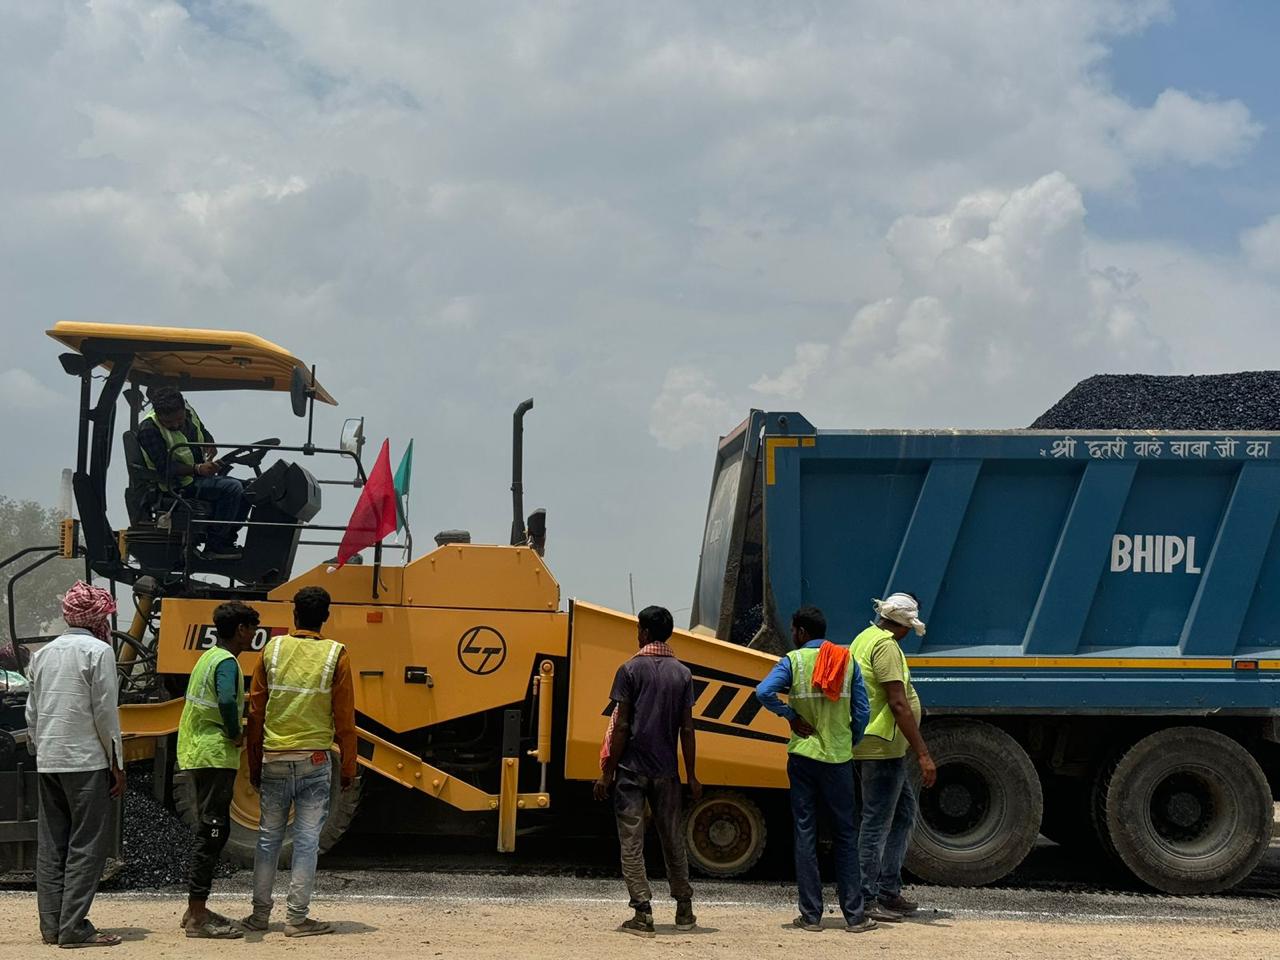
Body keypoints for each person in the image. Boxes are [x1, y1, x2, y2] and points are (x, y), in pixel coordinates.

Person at [242, 586, 356, 937]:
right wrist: (349, 768)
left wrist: (255, 762)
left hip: (274, 759)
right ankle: (296, 919)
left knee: (267, 839)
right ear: (325, 617)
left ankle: (260, 916)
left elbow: (256, 713)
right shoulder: (337, 655)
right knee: (306, 841)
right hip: (314, 761)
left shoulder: (271, 651)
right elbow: (345, 720)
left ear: (293, 616)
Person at [755, 606, 873, 933]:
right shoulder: (847, 661)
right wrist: (850, 738)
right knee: (846, 834)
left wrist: (790, 716)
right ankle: (855, 915)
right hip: (838, 758)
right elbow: (863, 710)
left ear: (801, 632)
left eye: (793, 631)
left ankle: (810, 916)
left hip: (803, 758)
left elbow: (762, 692)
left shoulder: (792, 662)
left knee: (805, 832)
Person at [25, 581, 125, 948]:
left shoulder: (42, 654)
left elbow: (32, 713)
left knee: (52, 845)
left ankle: (51, 927)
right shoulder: (98, 652)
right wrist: (117, 764)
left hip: (49, 761)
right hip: (86, 762)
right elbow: (105, 714)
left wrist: (42, 751)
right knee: (87, 844)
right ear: (98, 618)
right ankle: (74, 928)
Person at [594, 605, 701, 938]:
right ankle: (684, 908)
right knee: (673, 839)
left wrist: (607, 772)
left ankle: (643, 913)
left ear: (643, 632)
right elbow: (687, 729)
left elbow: (622, 724)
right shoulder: (683, 674)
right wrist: (693, 774)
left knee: (632, 841)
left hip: (631, 769)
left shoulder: (629, 670)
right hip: (667, 771)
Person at [850, 593, 937, 921]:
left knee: (903, 815)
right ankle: (867, 897)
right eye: (906, 629)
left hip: (880, 744)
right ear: (900, 625)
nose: (906, 636)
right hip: (882, 745)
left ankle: (887, 889)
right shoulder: (886, 645)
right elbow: (898, 703)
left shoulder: (864, 638)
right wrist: (924, 754)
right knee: (876, 822)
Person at [176, 600, 260, 939]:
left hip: (198, 751)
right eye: (252, 628)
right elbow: (227, 700)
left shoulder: (207, 658)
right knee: (212, 832)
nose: (254, 634)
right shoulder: (226, 662)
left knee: (210, 830)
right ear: (240, 630)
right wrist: (235, 732)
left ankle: (195, 908)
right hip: (213, 754)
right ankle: (197, 916)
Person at [136, 385, 249, 560]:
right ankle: (215, 546)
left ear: (183, 409)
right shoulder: (148, 429)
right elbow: (165, 468)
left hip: (198, 476)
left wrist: (210, 443)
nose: (175, 425)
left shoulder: (189, 411)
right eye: (168, 422)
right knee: (232, 488)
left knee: (249, 488)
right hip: (178, 486)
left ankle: (227, 540)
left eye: (179, 419)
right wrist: (198, 469)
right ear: (158, 415)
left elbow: (201, 430)